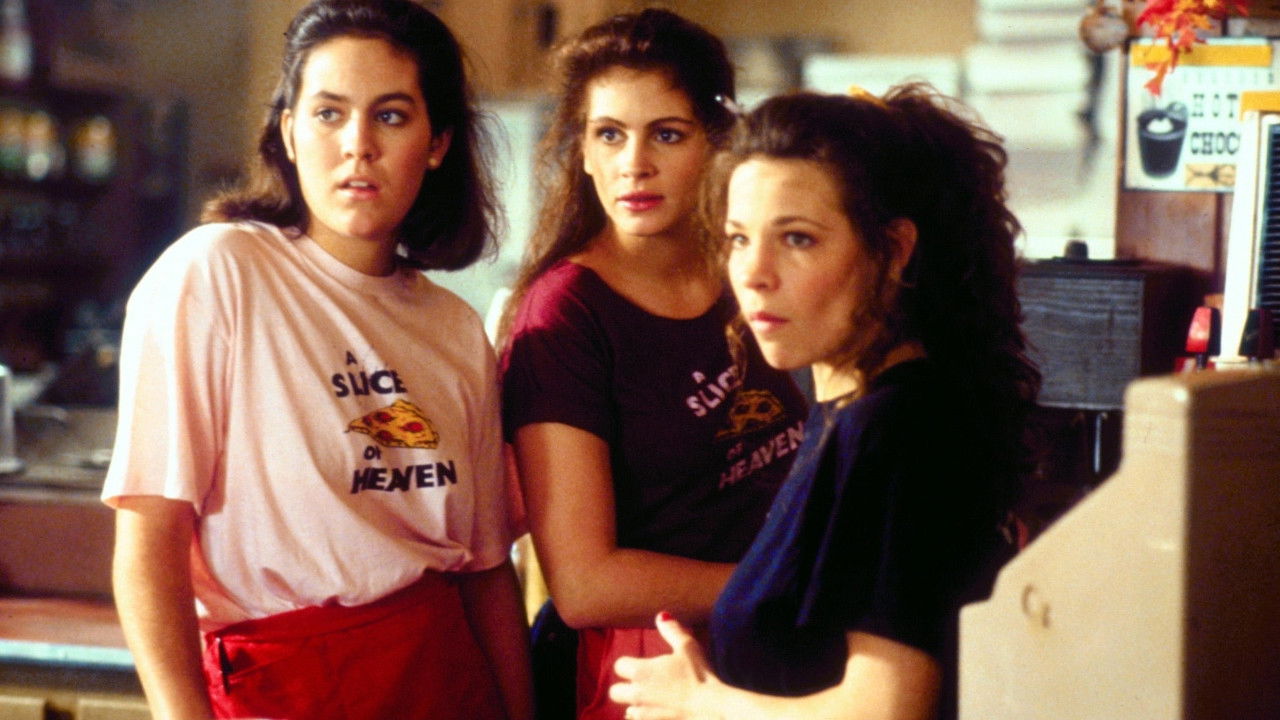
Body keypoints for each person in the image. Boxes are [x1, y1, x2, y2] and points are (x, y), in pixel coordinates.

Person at [103, 2, 532, 719]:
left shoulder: (457, 330)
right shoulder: (216, 272)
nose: (358, 145)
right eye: (329, 114)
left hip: (446, 681)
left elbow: (486, 573)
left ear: (436, 143)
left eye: (390, 116)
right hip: (283, 687)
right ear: (289, 134)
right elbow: (149, 540)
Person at [608, 85, 1041, 720]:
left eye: (797, 239)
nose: (754, 273)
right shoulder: (849, 410)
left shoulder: (895, 429)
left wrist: (703, 702)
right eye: (738, 239)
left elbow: (885, 708)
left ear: (893, 251)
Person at [498, 9, 808, 720]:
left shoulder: (748, 267)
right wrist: (784, 583)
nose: (633, 163)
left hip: (781, 642)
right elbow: (584, 585)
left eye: (666, 134)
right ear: (582, 150)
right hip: (651, 665)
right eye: (609, 134)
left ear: (718, 141)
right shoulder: (564, 316)